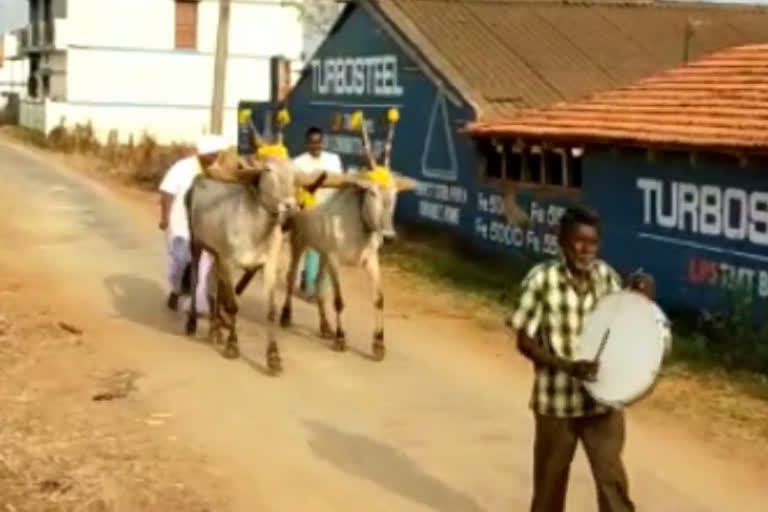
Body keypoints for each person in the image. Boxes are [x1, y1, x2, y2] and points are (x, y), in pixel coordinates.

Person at [507, 205, 635, 512]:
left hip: (602, 403)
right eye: (578, 240)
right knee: (549, 487)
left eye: (592, 242)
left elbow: (625, 329)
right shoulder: (541, 280)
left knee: (612, 482)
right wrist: (568, 367)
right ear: (562, 240)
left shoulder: (607, 278)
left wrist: (641, 301)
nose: (585, 249)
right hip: (557, 403)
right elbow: (524, 341)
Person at [158, 134, 227, 315]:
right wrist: (164, 218)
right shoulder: (182, 168)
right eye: (211, 154)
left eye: (217, 154)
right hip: (180, 222)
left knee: (203, 265)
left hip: (206, 228)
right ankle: (176, 290)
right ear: (201, 153)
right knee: (180, 262)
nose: (214, 157)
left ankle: (198, 304)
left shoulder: (218, 170)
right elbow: (166, 192)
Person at [292, 126, 344, 299]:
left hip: (331, 211)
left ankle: (321, 287)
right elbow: (295, 190)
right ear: (307, 143)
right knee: (313, 249)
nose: (316, 146)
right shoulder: (298, 162)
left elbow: (340, 183)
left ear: (323, 142)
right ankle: (311, 287)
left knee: (330, 251)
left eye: (319, 142)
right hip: (310, 212)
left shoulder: (334, 160)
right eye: (313, 143)